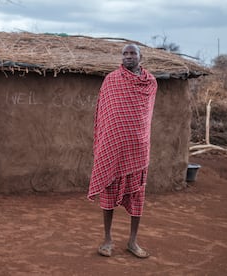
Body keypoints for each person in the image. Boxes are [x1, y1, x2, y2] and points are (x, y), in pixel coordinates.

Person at [87, 44, 158, 258]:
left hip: (138, 146)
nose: (128, 57)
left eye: (132, 53)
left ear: (140, 57)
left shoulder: (150, 82)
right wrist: (104, 142)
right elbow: (104, 112)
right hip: (113, 146)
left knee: (137, 195)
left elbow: (145, 115)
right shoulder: (112, 80)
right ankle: (107, 240)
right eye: (125, 54)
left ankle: (132, 241)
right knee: (108, 193)